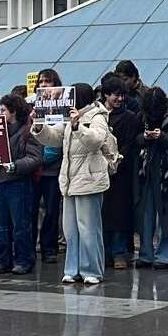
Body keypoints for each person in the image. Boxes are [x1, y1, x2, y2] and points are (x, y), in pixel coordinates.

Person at [33, 82, 111, 285]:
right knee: (70, 228)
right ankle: (72, 269)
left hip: (89, 179)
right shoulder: (68, 117)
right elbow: (54, 137)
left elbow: (96, 141)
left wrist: (78, 127)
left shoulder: (97, 116)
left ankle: (91, 270)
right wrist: (39, 127)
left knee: (88, 228)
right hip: (69, 180)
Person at [133, 86, 168, 270]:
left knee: (166, 214)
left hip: (167, 173)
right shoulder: (142, 118)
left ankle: (165, 255)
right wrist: (144, 136)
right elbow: (135, 140)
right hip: (147, 171)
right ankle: (146, 253)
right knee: (146, 214)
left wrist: (162, 137)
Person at [0, 94, 44, 275]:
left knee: (21, 224)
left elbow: (35, 158)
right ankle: (2, 259)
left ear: (13, 111)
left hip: (18, 183)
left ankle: (23, 259)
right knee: (0, 224)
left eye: (3, 109)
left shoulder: (28, 131)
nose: (0, 113)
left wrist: (16, 166)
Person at [99, 73, 142, 270]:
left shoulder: (129, 118)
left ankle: (118, 252)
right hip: (100, 172)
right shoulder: (96, 116)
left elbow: (130, 144)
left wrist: (116, 161)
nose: (119, 99)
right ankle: (105, 252)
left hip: (121, 172)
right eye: (115, 95)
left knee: (119, 214)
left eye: (121, 95)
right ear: (105, 95)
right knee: (102, 213)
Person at [31, 68, 64, 264]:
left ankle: (49, 247)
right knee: (32, 209)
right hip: (33, 169)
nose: (44, 85)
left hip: (52, 170)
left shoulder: (63, 108)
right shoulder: (31, 106)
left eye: (48, 82)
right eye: (41, 82)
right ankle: (30, 245)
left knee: (52, 210)